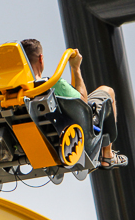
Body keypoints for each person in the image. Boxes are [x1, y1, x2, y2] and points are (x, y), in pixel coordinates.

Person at [20, 39, 127, 170]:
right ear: (41, 58)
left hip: (29, 140)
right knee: (107, 91)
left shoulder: (9, 92)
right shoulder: (53, 83)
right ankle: (107, 156)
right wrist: (75, 68)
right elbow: (83, 104)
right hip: (78, 138)